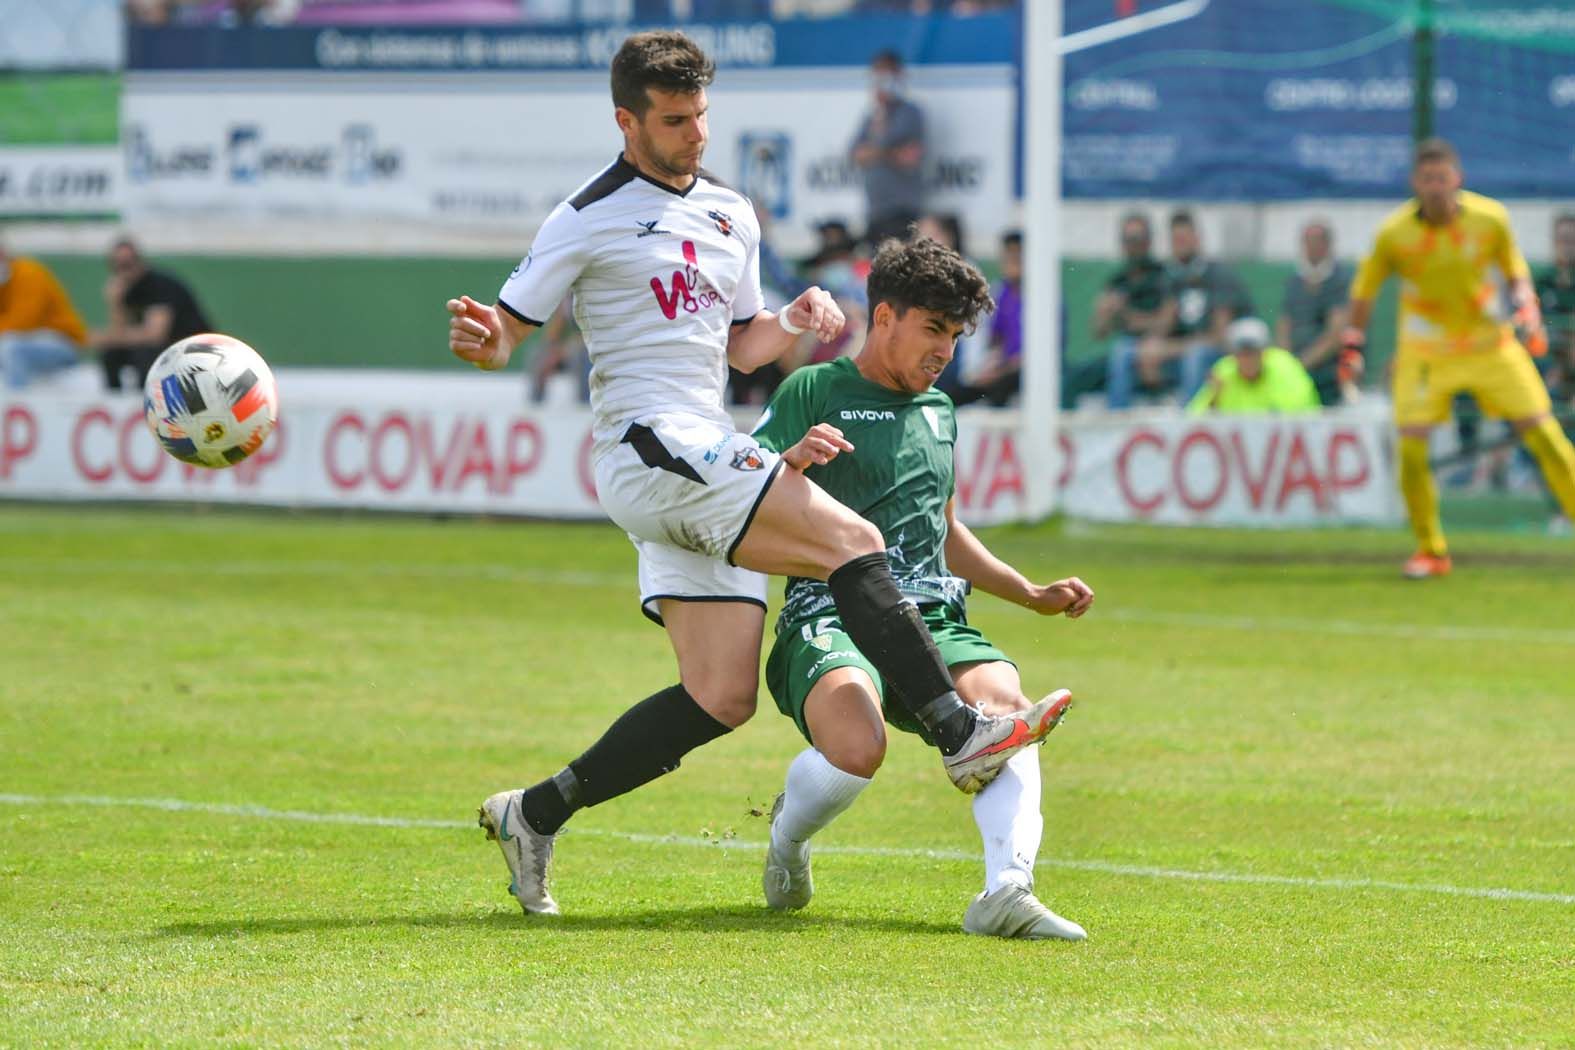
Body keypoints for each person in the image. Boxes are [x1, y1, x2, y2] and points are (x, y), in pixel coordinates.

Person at [443, 30, 1068, 917]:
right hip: (646, 445)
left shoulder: (732, 213)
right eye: (672, 120)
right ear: (626, 121)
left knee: (722, 694)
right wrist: (484, 341)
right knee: (854, 538)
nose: (694, 134)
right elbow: (508, 327)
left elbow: (739, 346)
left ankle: (533, 814)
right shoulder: (583, 216)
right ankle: (960, 730)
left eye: (700, 115)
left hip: (704, 446)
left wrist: (792, 320)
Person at [751, 236, 1092, 940]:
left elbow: (942, 527)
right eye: (932, 329)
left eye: (957, 335)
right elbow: (741, 492)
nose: (945, 350)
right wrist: (787, 461)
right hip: (830, 610)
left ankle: (1006, 890)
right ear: (883, 318)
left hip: (932, 611)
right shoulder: (811, 390)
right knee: (857, 746)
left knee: (1007, 719)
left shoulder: (939, 409)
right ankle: (787, 840)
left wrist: (1027, 592)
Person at [1343, 138, 1575, 578]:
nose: (1435, 187)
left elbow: (1515, 272)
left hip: (1491, 346)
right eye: (1427, 179)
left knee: (1546, 436)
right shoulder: (1394, 234)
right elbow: (1364, 293)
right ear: (1414, 183)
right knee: (1411, 448)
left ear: (1458, 179)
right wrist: (1353, 346)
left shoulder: (1491, 219)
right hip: (1427, 353)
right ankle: (1431, 550)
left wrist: (1527, 307)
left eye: (1442, 178)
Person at [1106, 210, 1249, 409]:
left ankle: (1187, 427)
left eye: (1184, 238)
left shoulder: (1218, 275)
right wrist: (1150, 349)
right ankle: (1116, 421)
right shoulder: (1171, 278)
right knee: (1124, 351)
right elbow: (1164, 324)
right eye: (1175, 240)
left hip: (1220, 359)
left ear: (1197, 239)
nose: (1179, 245)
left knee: (1196, 356)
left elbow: (1220, 338)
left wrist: (1168, 350)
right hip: (1181, 355)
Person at [90, 237, 213, 392]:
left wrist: (108, 337)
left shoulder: (159, 285)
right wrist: (115, 302)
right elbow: (119, 332)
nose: (123, 271)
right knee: (111, 353)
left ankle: (147, 401)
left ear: (139, 262)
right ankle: (116, 401)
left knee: (146, 354)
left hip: (192, 350)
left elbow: (155, 335)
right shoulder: (126, 290)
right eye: (118, 266)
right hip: (164, 348)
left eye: (128, 264)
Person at [1079, 212, 1166, 409]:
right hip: (1123, 352)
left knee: (1122, 352)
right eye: (1128, 239)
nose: (1133, 245)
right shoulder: (1118, 280)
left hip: (1157, 350)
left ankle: (1116, 419)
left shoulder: (1162, 276)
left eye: (1137, 239)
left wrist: (1126, 313)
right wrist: (1104, 313)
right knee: (1079, 372)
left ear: (1148, 241)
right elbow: (1098, 332)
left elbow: (1165, 324)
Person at [849, 50, 926, 247]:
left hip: (902, 212)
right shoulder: (871, 117)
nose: (881, 83)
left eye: (886, 77)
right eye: (877, 77)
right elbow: (856, 154)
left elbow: (908, 157)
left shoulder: (909, 113)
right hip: (875, 211)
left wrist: (876, 151)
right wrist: (888, 153)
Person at [1276, 219, 1353, 407]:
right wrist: (1286, 362)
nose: (1311, 248)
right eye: (1307, 242)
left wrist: (1300, 365)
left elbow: (1334, 335)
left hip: (1327, 367)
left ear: (1328, 245)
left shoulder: (1339, 281)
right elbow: (1284, 325)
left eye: (1316, 242)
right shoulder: (1295, 282)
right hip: (1295, 365)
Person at [0, 236, 88, 390]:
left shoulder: (29, 272)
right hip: (25, 342)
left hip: (62, 342)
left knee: (10, 347)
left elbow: (23, 322)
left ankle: (17, 405)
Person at [946, 229, 1023, 407]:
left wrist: (1003, 369)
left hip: (1023, 372)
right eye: (1008, 257)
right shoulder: (999, 293)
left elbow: (1044, 351)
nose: (1012, 263)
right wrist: (989, 366)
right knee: (954, 393)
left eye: (1017, 257)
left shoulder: (1043, 299)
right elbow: (995, 340)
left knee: (1002, 388)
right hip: (1001, 369)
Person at [1186, 317, 1320, 415]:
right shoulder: (1224, 371)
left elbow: (1303, 415)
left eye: (1252, 352)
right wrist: (1214, 401)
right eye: (1241, 353)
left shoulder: (1285, 367)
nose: (1247, 359)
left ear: (1264, 352)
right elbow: (1192, 420)